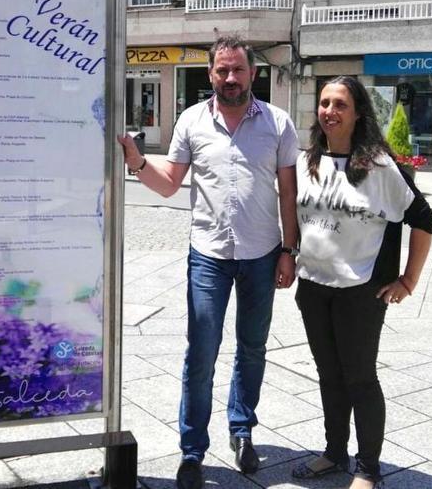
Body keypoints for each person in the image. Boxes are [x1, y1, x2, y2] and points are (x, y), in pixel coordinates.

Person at [117, 35, 299, 489]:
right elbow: (168, 184)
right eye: (222, 70)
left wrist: (289, 251)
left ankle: (242, 431)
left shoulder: (277, 123)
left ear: (252, 74)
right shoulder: (191, 121)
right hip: (210, 257)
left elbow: (289, 193)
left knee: (252, 349)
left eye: (238, 69)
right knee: (200, 354)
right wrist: (138, 161)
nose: (231, 78)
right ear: (211, 74)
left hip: (261, 253)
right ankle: (192, 451)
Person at [290, 76, 432, 489]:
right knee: (327, 374)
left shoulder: (380, 167)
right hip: (314, 287)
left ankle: (369, 467)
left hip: (360, 290)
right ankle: (334, 452)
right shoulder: (308, 161)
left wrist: (408, 280)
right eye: (324, 103)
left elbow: (423, 220)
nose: (329, 111)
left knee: (360, 377)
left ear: (357, 114)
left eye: (340, 104)